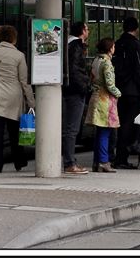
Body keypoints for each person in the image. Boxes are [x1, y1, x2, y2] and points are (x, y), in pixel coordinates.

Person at [0, 25, 35, 173]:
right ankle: (19, 162)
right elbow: (24, 81)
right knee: (15, 133)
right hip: (14, 99)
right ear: (14, 39)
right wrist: (31, 102)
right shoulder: (19, 56)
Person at [111, 16, 140, 170]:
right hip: (133, 93)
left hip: (119, 91)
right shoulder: (136, 46)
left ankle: (118, 155)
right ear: (137, 28)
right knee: (130, 126)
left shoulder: (117, 44)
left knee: (120, 126)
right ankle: (122, 157)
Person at [84, 37, 121, 173]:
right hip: (105, 100)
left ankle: (96, 162)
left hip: (95, 97)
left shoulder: (96, 60)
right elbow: (110, 84)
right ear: (110, 48)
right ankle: (104, 162)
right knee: (105, 132)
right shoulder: (107, 63)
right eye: (113, 46)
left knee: (99, 132)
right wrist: (118, 93)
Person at [61, 21, 90, 175]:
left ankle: (70, 161)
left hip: (68, 90)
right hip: (75, 91)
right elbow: (76, 69)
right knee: (72, 129)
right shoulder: (76, 46)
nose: (88, 31)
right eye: (87, 29)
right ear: (82, 31)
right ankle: (70, 163)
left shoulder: (68, 44)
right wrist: (85, 86)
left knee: (69, 128)